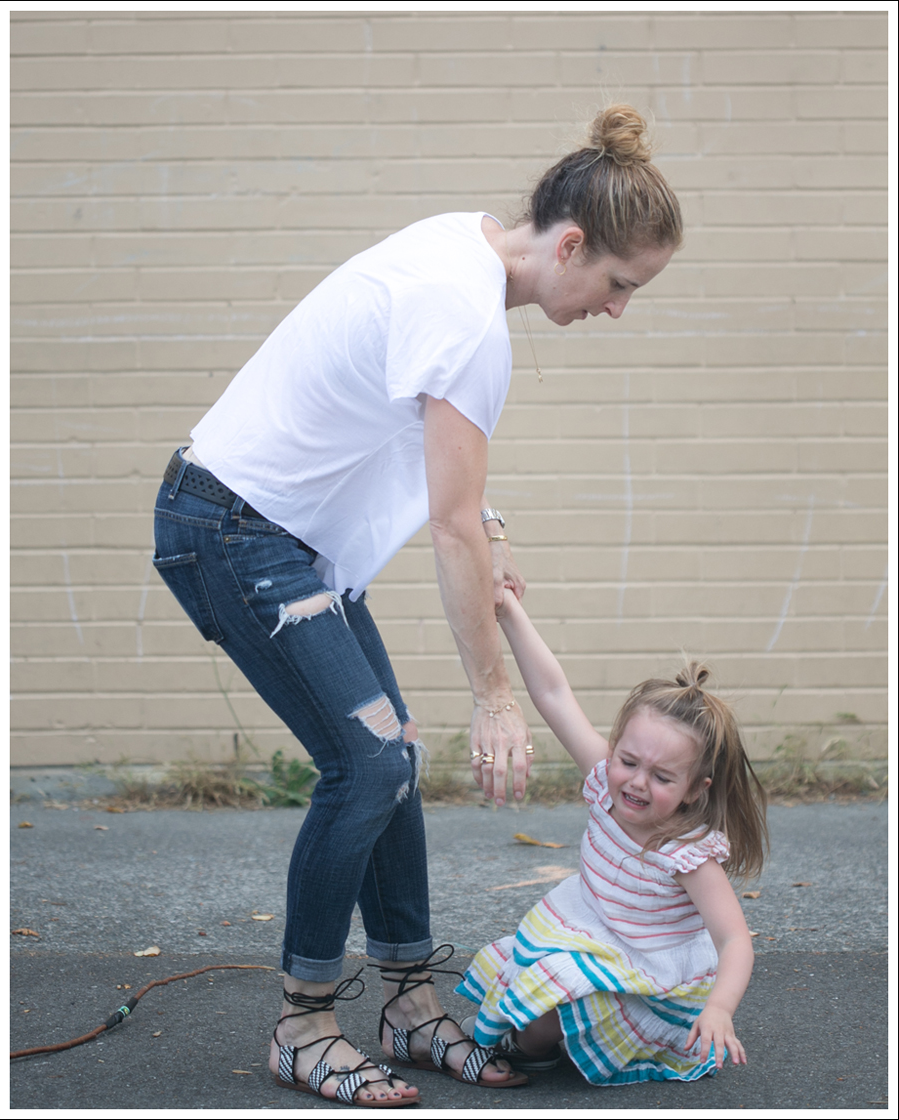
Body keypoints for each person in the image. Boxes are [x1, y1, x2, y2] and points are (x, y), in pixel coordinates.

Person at [152, 103, 682, 1106]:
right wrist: (494, 693)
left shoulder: (459, 246)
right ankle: (305, 1025)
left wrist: (498, 531)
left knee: (385, 758)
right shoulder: (470, 319)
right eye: (618, 284)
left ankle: (406, 1002)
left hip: (284, 538)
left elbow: (439, 464)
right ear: (571, 244)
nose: (617, 309)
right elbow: (448, 527)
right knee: (370, 760)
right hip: (230, 529)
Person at [457, 590, 768, 1085]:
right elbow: (554, 693)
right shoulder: (604, 781)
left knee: (540, 1023)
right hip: (591, 934)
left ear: (694, 791)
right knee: (530, 997)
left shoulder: (686, 852)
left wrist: (720, 1010)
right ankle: (525, 1035)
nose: (637, 782)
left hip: (650, 978)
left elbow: (734, 940)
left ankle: (527, 1048)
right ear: (616, 750)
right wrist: (509, 612)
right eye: (628, 761)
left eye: (663, 777)